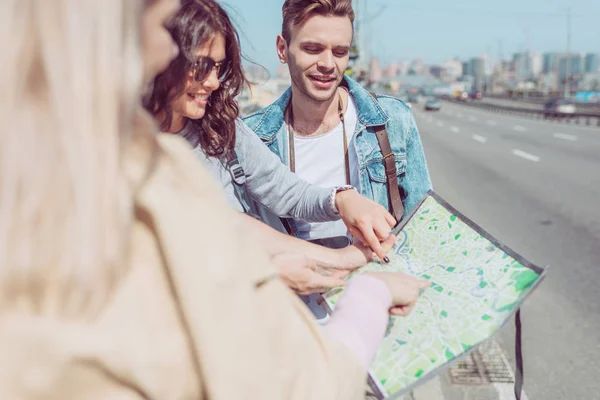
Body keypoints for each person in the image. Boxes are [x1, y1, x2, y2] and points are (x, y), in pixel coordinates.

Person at [0, 0, 428, 398]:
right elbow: (308, 382)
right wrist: (366, 290)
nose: (210, 81)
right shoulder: (150, 175)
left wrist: (340, 208)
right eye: (156, 24)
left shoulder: (81, 171)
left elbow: (262, 205)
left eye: (219, 68)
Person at [144, 0, 397, 297]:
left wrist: (341, 200)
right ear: (158, 56)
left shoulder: (220, 127)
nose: (212, 82)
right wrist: (266, 271)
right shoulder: (120, 150)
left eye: (219, 67)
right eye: (200, 66)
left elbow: (284, 192)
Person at [244, 0, 432, 243]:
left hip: (376, 276)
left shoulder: (393, 119)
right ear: (282, 49)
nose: (328, 64)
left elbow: (424, 228)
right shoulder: (252, 137)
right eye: (312, 49)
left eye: (340, 52)